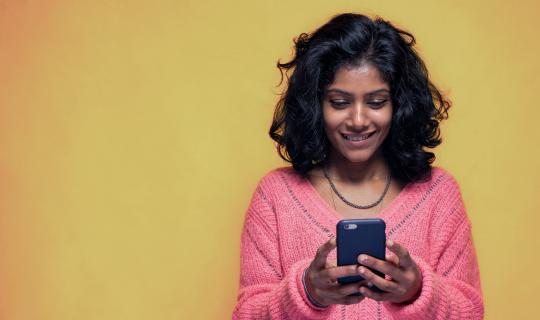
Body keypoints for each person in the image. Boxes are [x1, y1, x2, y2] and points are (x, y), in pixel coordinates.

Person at [232, 13, 483, 319]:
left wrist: (417, 292)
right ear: (315, 105)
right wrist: (306, 292)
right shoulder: (275, 196)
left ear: (400, 105)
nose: (359, 120)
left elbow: (471, 313)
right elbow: (246, 315)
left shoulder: (439, 194)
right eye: (339, 102)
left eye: (376, 102)